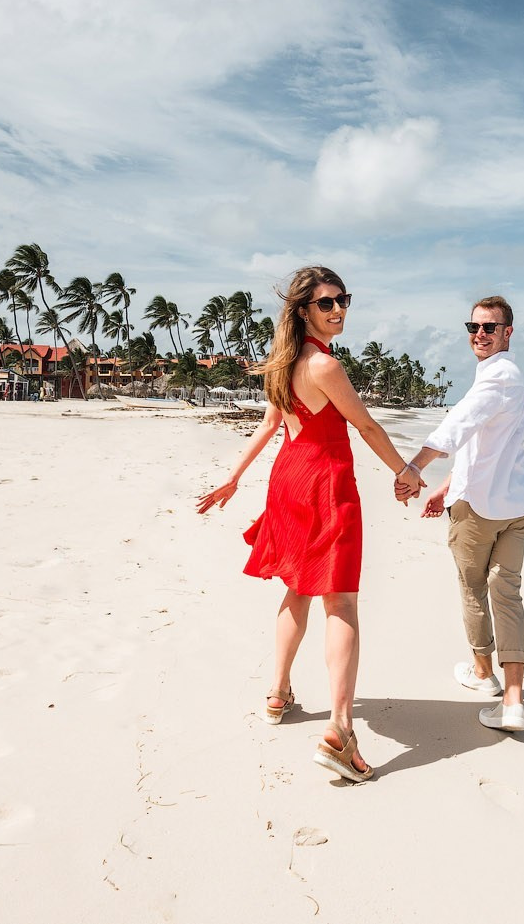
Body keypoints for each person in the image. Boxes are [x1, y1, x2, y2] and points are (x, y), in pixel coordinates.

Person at [197, 266, 423, 783]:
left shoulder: (285, 362)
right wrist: (405, 473)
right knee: (339, 599)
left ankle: (277, 694)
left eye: (344, 299)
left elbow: (272, 423)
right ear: (304, 311)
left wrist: (234, 477)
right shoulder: (323, 365)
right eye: (327, 303)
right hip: (323, 484)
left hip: (290, 479)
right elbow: (364, 424)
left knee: (298, 588)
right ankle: (340, 732)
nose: (339, 309)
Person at [395, 296, 524, 733]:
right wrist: (443, 488)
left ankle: (483, 675)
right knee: (507, 595)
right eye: (473, 327)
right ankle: (512, 701)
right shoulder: (507, 379)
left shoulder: (498, 378)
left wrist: (414, 467)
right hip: (516, 506)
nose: (479, 334)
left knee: (474, 590)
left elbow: (455, 429)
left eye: (489, 328)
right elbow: (482, 447)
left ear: (508, 333)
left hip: (479, 512)